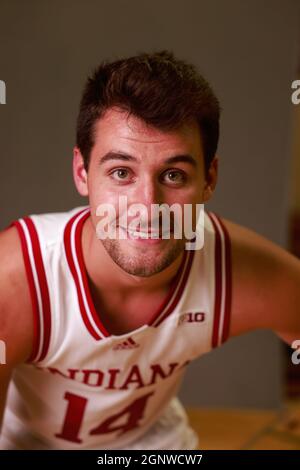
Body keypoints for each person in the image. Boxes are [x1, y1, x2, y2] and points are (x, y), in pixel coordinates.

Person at [0, 50, 299, 450]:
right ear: (82, 172)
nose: (147, 206)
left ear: (209, 179)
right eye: (121, 173)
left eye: (173, 175)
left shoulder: (236, 269)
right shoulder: (18, 279)